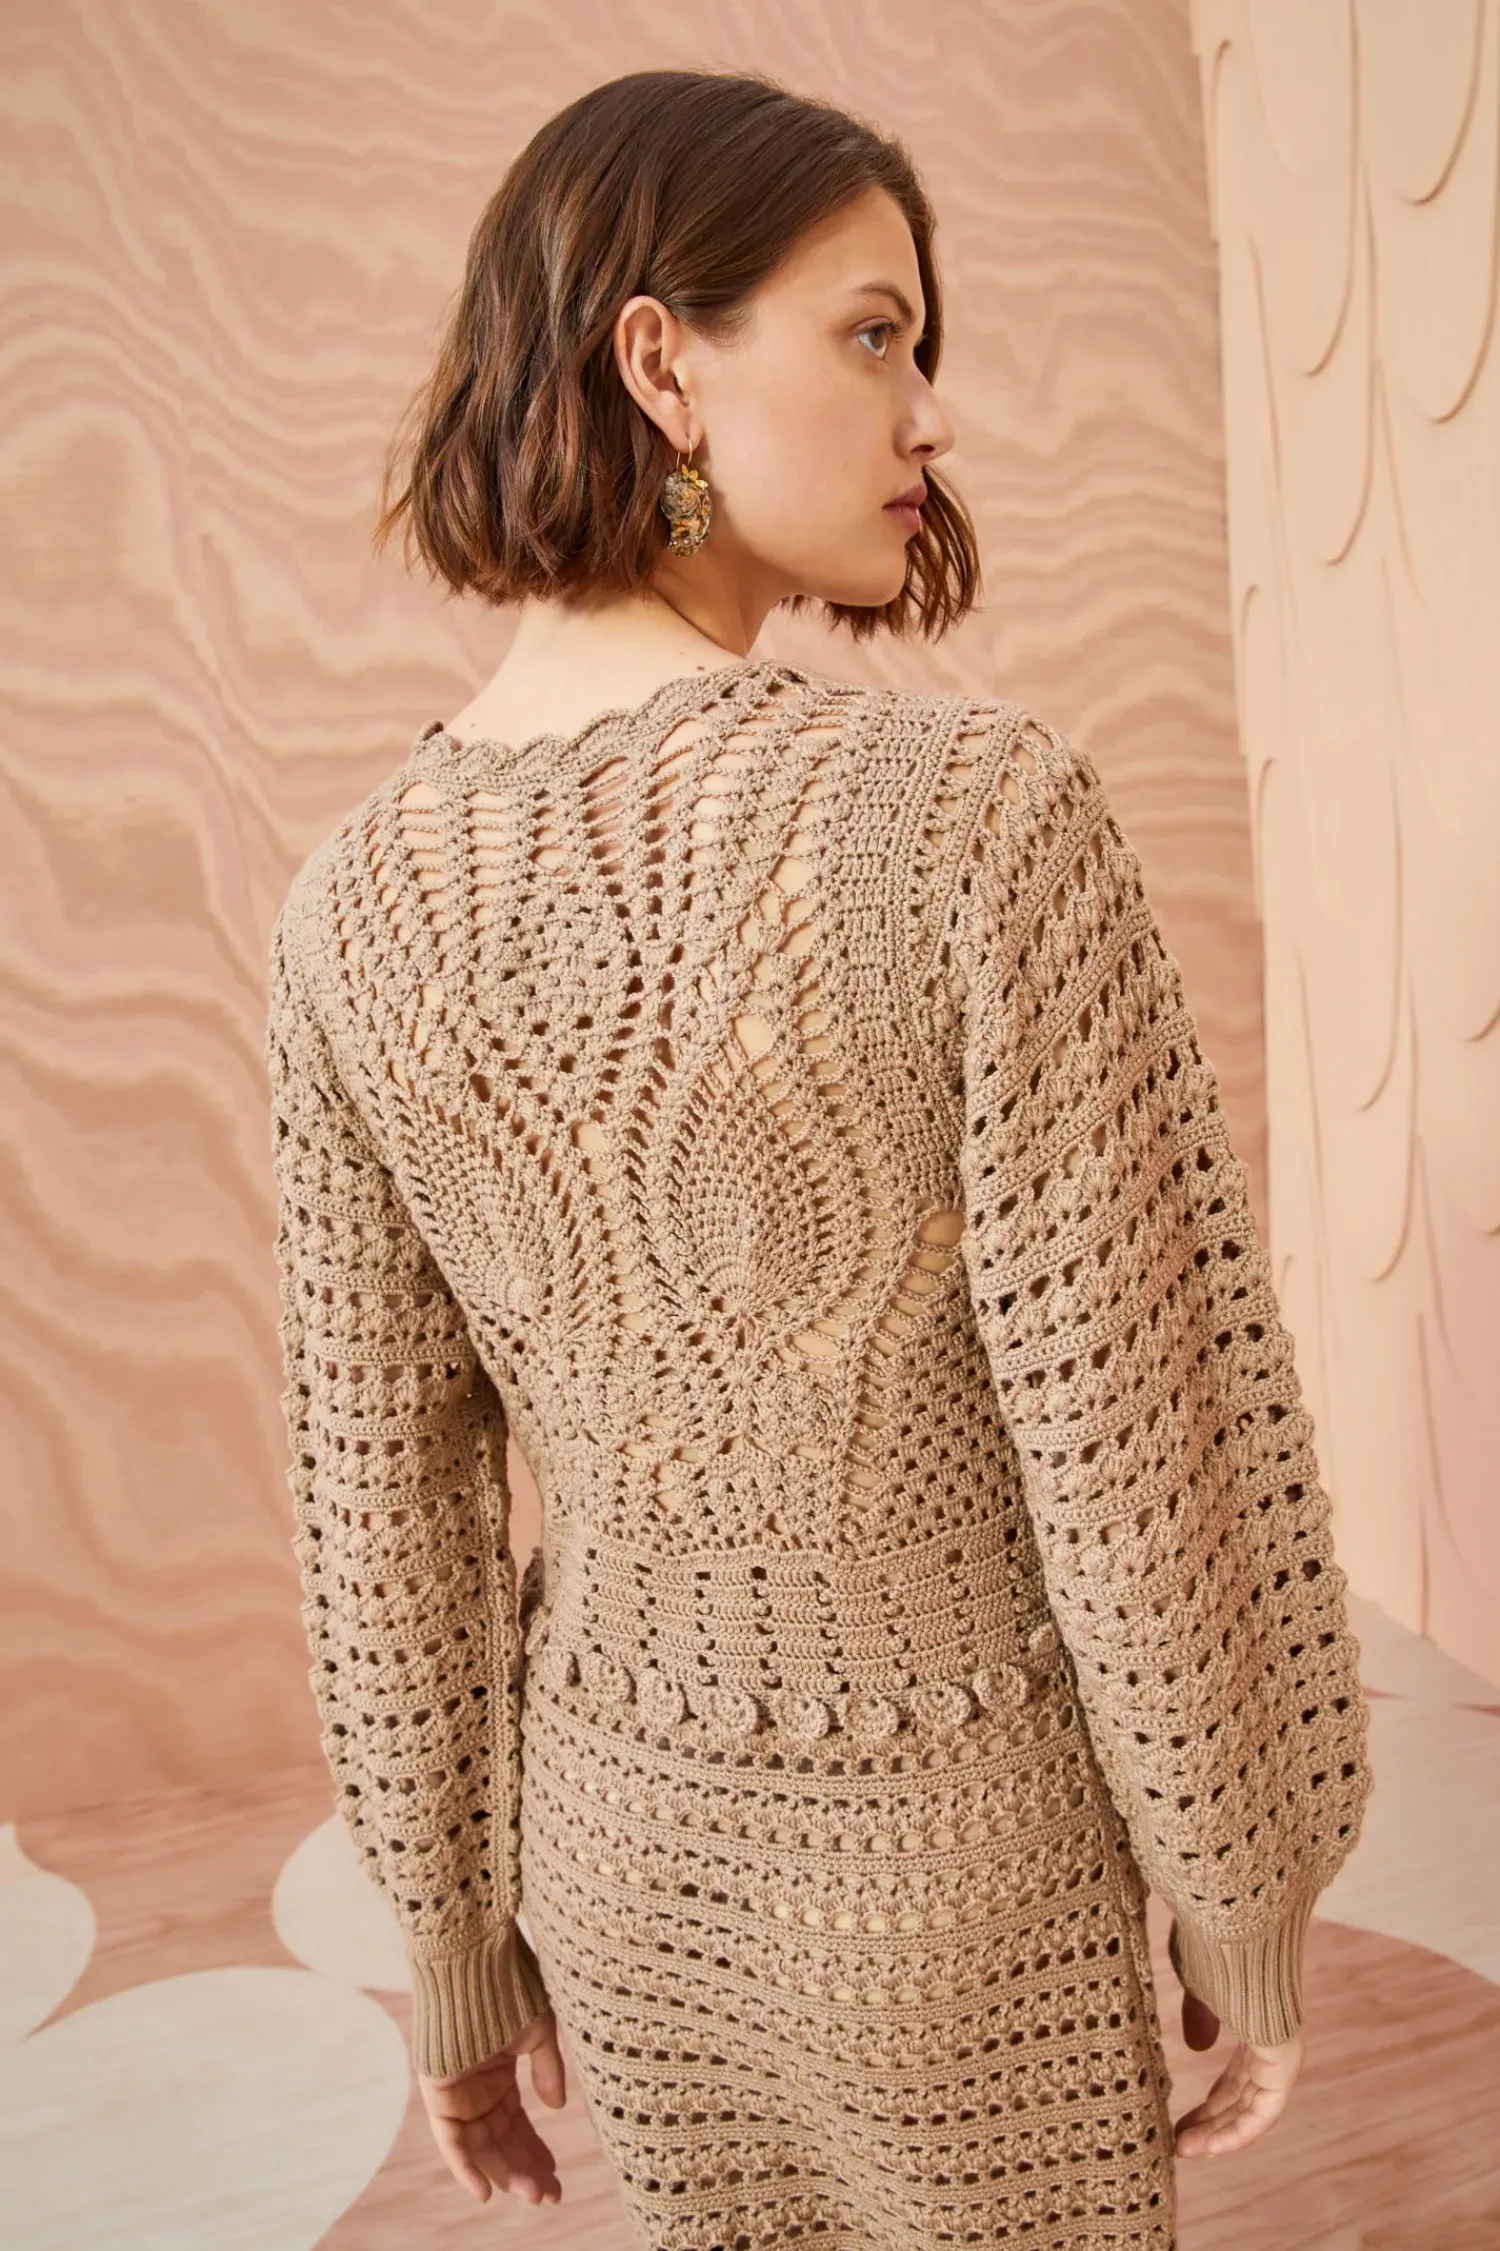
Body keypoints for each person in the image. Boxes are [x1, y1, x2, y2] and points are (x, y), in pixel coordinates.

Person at [265, 67, 1371, 2251]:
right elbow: (1145, 1446)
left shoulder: (344, 915)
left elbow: (379, 1516)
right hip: (967, 1877)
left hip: (615, 1870)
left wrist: (458, 1950)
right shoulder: (977, 825)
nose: (929, 413)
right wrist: (1241, 1890)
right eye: (874, 333)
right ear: (659, 363)